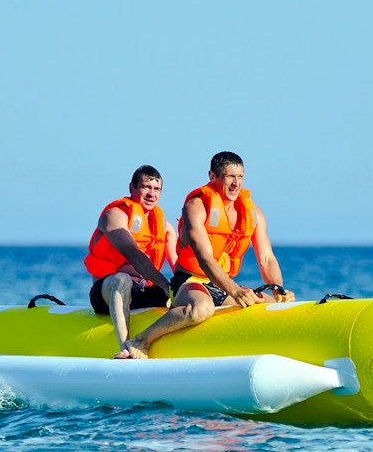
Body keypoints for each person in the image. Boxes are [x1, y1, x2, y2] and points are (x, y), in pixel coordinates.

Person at [115, 151, 295, 359]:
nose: (236, 183)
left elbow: (266, 259)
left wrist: (278, 290)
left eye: (240, 177)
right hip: (190, 281)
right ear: (213, 177)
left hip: (222, 285)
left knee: (266, 304)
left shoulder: (253, 213)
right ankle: (140, 341)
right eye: (230, 177)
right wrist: (235, 291)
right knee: (202, 308)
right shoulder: (196, 206)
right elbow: (204, 257)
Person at [84, 165, 177, 350]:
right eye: (146, 187)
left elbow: (177, 264)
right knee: (122, 279)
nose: (151, 194)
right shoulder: (114, 216)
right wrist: (165, 285)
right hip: (108, 292)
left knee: (181, 287)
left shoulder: (165, 227)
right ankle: (126, 347)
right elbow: (133, 254)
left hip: (145, 291)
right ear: (132, 188)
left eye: (156, 189)